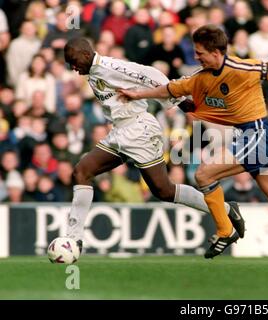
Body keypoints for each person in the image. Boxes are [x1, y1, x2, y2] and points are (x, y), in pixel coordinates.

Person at [118, 25, 268, 263]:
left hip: (258, 134)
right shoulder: (199, 79)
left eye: (200, 52)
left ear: (216, 52)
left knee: (204, 175)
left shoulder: (242, 68)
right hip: (254, 137)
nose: (196, 56)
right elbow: (170, 89)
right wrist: (137, 95)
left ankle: (225, 230)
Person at [63, 37, 244, 254]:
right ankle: (74, 239)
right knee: (81, 172)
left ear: (85, 55)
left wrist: (178, 101)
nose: (73, 68)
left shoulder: (110, 67)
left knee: (164, 190)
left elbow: (148, 74)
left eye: (74, 62)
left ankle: (225, 209)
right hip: (120, 131)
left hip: (139, 130)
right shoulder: (92, 72)